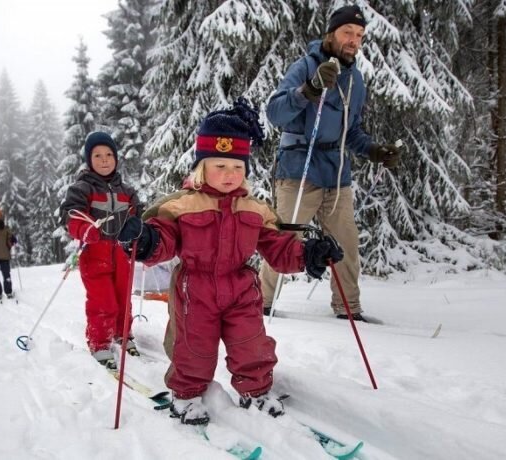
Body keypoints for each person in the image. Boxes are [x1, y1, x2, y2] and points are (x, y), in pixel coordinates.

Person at [116, 99, 344, 425]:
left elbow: (278, 247)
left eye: (237, 167)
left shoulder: (255, 209)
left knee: (252, 345)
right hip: (196, 288)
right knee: (194, 348)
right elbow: (163, 240)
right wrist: (145, 240)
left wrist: (308, 254)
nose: (229, 175)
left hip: (241, 288)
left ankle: (256, 391)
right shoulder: (182, 206)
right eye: (219, 166)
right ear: (202, 166)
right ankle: (188, 395)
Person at [259, 5, 401, 323]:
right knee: (285, 239)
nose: (354, 40)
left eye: (359, 35)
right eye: (347, 33)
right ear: (331, 34)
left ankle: (347, 308)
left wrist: (375, 151)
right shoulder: (306, 66)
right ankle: (260, 303)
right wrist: (308, 90)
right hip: (299, 169)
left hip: (337, 173)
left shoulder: (356, 81)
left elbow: (351, 132)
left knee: (346, 243)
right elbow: (275, 113)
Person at [59, 131, 144, 369]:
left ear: (116, 158)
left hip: (121, 252)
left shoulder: (126, 190)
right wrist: (83, 228)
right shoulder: (82, 188)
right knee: (103, 300)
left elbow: (138, 212)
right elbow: (71, 215)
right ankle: (100, 342)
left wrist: (138, 225)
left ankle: (123, 335)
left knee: (123, 297)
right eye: (97, 155)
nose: (104, 159)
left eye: (109, 154)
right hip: (95, 253)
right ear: (89, 159)